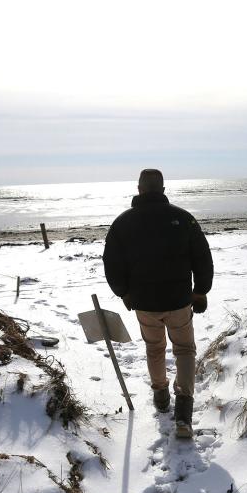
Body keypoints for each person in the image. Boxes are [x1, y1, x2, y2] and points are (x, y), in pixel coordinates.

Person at [102, 169, 214, 438]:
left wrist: (124, 293)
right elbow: (202, 257)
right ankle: (183, 413)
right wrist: (200, 292)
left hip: (145, 303)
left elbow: (111, 263)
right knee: (184, 350)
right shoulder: (182, 218)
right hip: (178, 301)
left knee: (154, 348)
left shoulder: (123, 223)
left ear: (139, 189)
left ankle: (161, 396)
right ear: (163, 189)